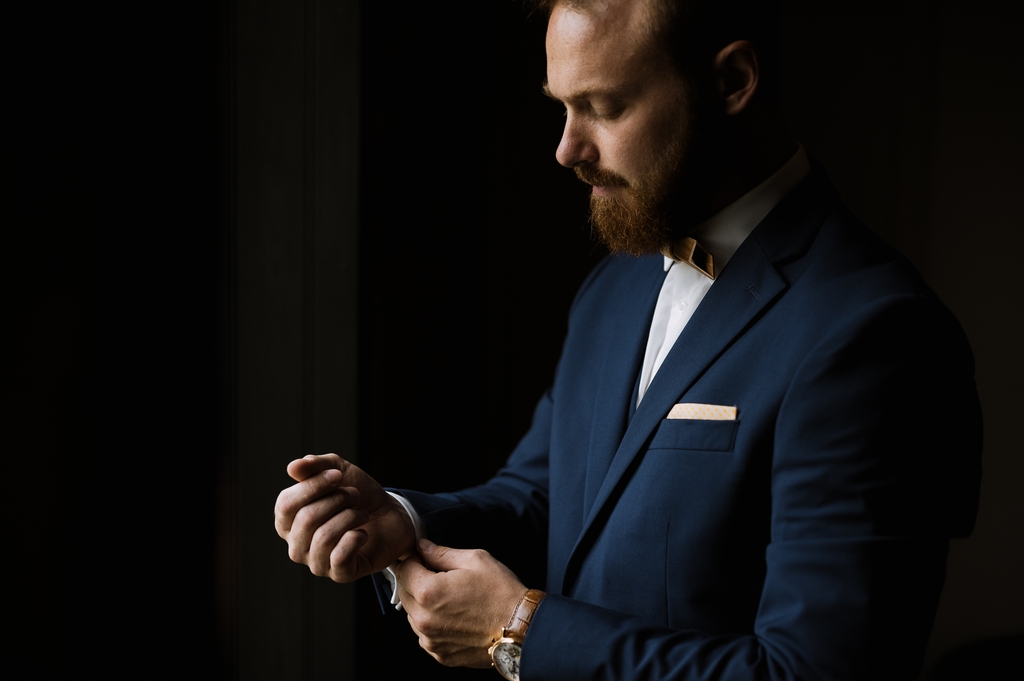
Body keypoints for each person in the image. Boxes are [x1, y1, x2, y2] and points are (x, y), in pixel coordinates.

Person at [274, 0, 982, 679]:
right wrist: (403, 517)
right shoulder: (615, 287)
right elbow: (544, 493)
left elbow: (815, 669)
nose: (565, 149)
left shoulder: (876, 333)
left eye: (605, 107)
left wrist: (518, 631)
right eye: (561, 106)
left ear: (732, 81)